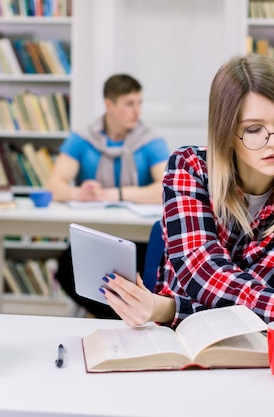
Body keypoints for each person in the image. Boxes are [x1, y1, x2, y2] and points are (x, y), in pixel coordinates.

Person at [99, 54, 274, 345]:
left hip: (246, 347)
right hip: (172, 342)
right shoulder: (189, 167)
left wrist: (165, 307)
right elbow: (203, 272)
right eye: (253, 129)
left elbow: (251, 316)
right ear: (226, 134)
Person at [46, 73, 170, 318]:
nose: (137, 111)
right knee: (66, 268)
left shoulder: (150, 141)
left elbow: (164, 189)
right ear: (109, 104)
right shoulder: (82, 139)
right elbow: (53, 186)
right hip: (94, 238)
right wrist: (79, 193)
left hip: (138, 241)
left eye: (139, 103)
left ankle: (116, 316)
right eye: (129, 104)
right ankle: (115, 317)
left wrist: (114, 194)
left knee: (148, 272)